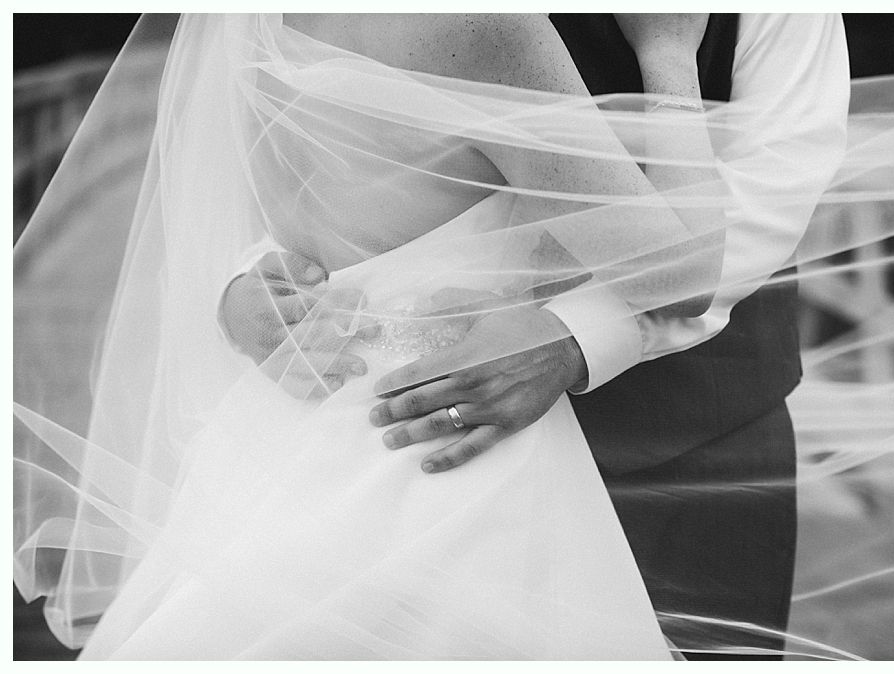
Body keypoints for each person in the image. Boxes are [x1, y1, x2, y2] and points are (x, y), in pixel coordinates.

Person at [221, 14, 850, 658]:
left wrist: (577, 334)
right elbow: (316, 140)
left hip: (687, 433)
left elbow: (776, 174)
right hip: (411, 430)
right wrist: (250, 284)